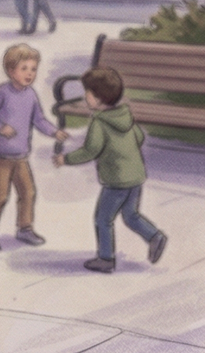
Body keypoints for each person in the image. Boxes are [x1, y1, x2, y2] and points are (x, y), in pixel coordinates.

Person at [53, 68, 168, 273]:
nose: (84, 96)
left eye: (87, 92)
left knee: (102, 219)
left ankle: (106, 259)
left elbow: (90, 151)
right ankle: (155, 236)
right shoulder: (125, 115)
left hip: (116, 180)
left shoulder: (99, 122)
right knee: (131, 215)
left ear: (98, 98)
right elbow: (139, 138)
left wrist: (65, 159)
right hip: (135, 176)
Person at [0, 44, 69, 252]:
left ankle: (24, 228)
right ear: (10, 70)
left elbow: (39, 119)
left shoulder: (31, 95)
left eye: (33, 69)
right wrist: (0, 127)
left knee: (28, 192)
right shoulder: (1, 93)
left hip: (21, 156)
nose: (29, 74)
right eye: (24, 68)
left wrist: (54, 132)